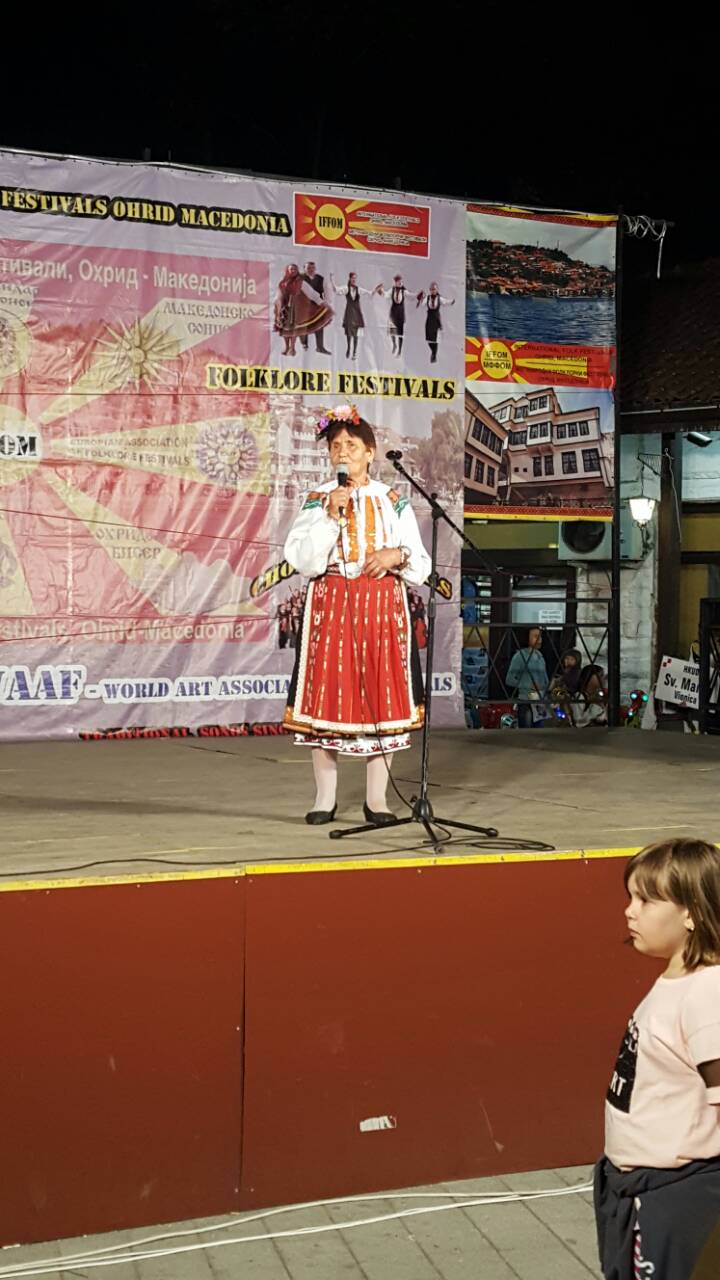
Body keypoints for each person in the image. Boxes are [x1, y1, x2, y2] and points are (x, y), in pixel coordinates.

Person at [283, 403, 431, 826]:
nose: (342, 451)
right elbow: (303, 560)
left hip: (383, 609)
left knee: (381, 697)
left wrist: (394, 555)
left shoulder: (393, 501)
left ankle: (377, 801)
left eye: (351, 444)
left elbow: (420, 563)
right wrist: (331, 516)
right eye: (335, 446)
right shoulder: (317, 500)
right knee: (327, 696)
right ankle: (324, 799)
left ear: (370, 452)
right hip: (331, 607)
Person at [594, 838, 720, 1279]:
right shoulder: (677, 979)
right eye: (630, 896)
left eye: (647, 900)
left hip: (679, 1200)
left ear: (692, 912)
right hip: (640, 1193)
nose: (630, 911)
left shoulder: (707, 993)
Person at [274, 263, 332, 356]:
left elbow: (312, 293)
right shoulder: (282, 282)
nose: (293, 271)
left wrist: (322, 302)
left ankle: (292, 348)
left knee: (294, 328)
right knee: (284, 328)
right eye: (291, 269)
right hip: (284, 307)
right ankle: (286, 347)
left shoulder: (300, 282)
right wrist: (278, 306)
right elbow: (278, 296)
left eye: (295, 269)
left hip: (296, 308)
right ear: (287, 270)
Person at [505, 626, 548, 727]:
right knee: (527, 733)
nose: (539, 640)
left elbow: (545, 678)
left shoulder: (540, 656)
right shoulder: (520, 656)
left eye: (540, 637)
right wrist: (528, 685)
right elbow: (509, 679)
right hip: (526, 701)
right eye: (535, 636)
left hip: (539, 702)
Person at [330, 272, 377, 361]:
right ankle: (348, 348)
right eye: (353, 278)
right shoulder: (346, 288)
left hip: (357, 313)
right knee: (349, 333)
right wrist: (332, 280)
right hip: (349, 313)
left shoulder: (358, 289)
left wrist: (375, 290)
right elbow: (336, 290)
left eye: (355, 278)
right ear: (350, 278)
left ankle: (354, 352)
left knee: (356, 334)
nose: (354, 280)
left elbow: (369, 293)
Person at [417, 281, 455, 363]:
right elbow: (422, 304)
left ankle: (434, 355)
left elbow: (445, 302)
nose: (433, 291)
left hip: (436, 319)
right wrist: (420, 299)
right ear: (430, 290)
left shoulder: (439, 298)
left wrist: (452, 301)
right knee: (429, 339)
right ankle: (433, 352)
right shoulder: (427, 298)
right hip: (429, 319)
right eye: (431, 289)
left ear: (437, 290)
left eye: (434, 289)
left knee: (436, 339)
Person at [299, 261, 332, 355]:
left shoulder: (321, 279)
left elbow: (328, 291)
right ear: (304, 269)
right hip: (303, 305)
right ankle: (304, 345)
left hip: (318, 305)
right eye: (308, 268)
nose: (311, 270)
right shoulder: (299, 278)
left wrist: (326, 303)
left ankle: (320, 347)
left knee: (319, 325)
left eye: (312, 268)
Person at [379, 274, 412, 357]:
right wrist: (381, 291)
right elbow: (386, 295)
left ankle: (399, 350)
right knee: (392, 331)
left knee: (400, 333)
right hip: (393, 313)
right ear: (395, 282)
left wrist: (418, 296)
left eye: (401, 281)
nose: (400, 283)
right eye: (398, 281)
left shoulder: (404, 291)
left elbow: (410, 296)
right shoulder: (392, 290)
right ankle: (394, 345)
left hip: (400, 314)